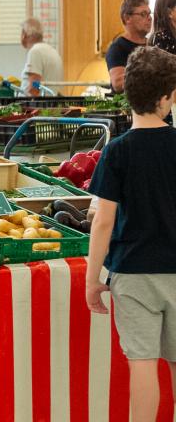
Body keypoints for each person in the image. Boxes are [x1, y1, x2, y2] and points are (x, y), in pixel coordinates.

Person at [86, 45, 176, 422]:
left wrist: (93, 279)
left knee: (142, 364)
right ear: (167, 97)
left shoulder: (117, 152)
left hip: (133, 274)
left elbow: (103, 220)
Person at [109, 0, 153, 93]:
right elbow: (118, 84)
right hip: (126, 106)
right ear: (127, 18)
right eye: (143, 14)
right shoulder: (118, 47)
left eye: (149, 14)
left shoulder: (153, 45)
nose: (149, 18)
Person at [19, 17, 65, 97]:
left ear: (24, 35)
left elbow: (34, 87)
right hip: (51, 103)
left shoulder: (35, 52)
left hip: (34, 106)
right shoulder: (52, 51)